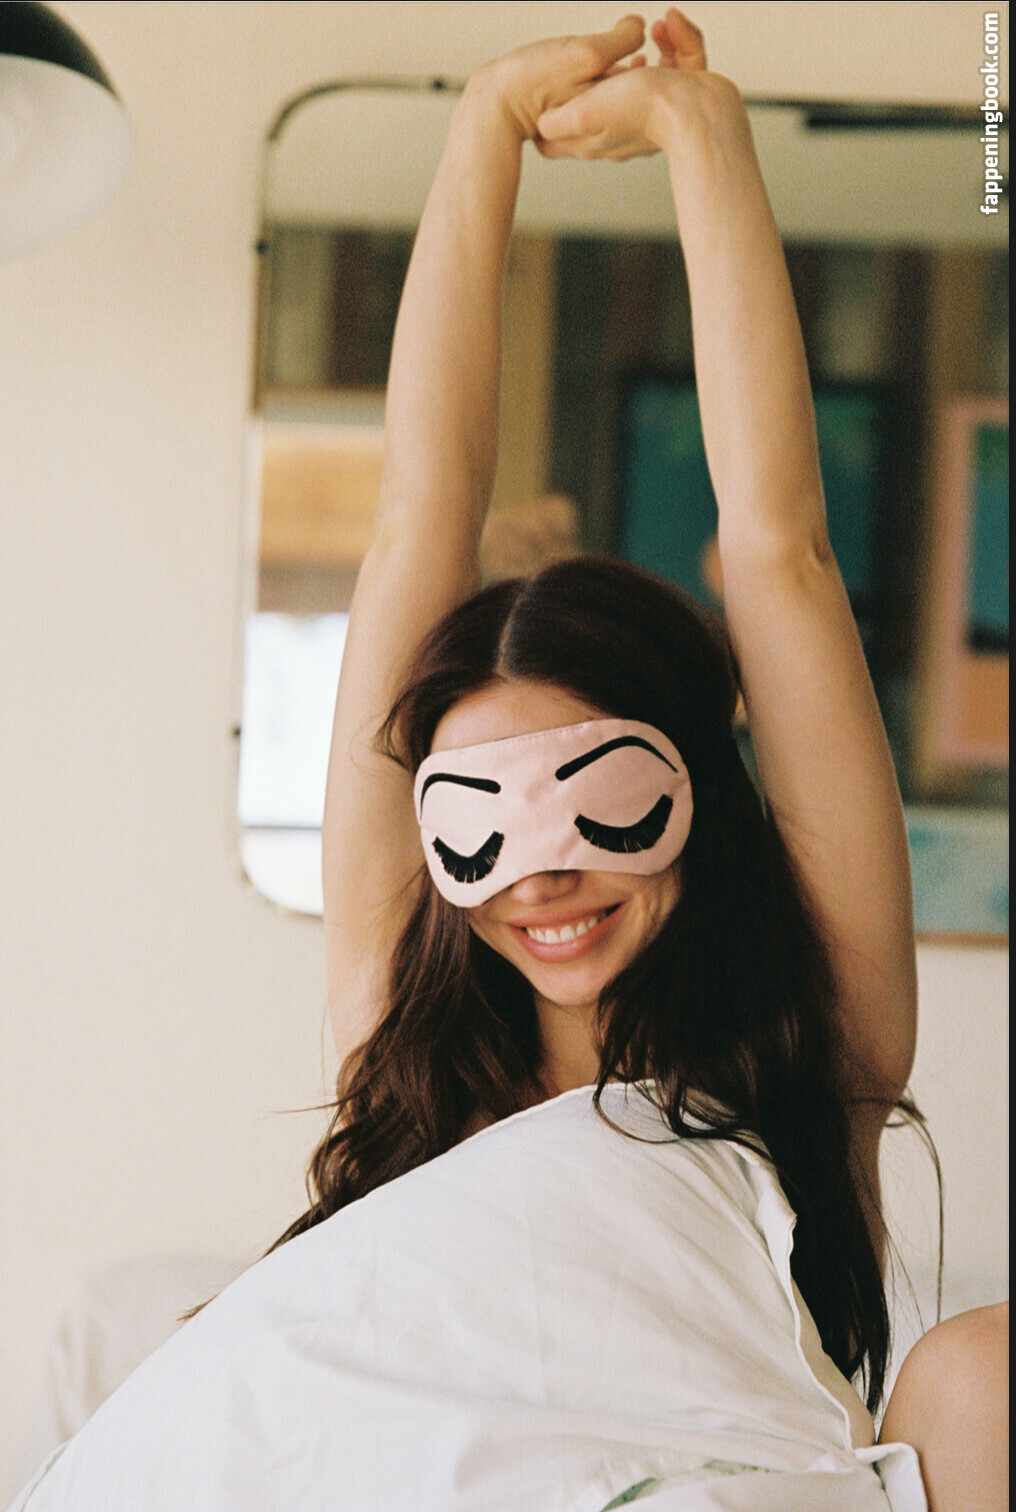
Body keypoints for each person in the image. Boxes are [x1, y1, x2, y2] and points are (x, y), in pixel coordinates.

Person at [9, 12, 1006, 1512]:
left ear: (694, 789)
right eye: (478, 822)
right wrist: (478, 132)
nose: (539, 879)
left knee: (985, 1372)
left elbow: (781, 552)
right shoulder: (404, 1039)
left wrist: (703, 136)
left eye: (598, 806)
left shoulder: (815, 1039)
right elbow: (418, 515)